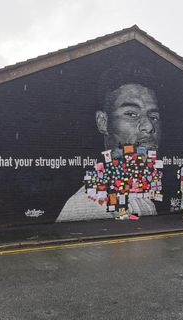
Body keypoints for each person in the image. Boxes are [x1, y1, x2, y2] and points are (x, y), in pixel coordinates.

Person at [56, 64, 161, 222]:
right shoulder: (88, 205)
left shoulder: (140, 195)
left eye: (153, 117)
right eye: (131, 114)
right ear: (103, 122)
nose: (149, 126)